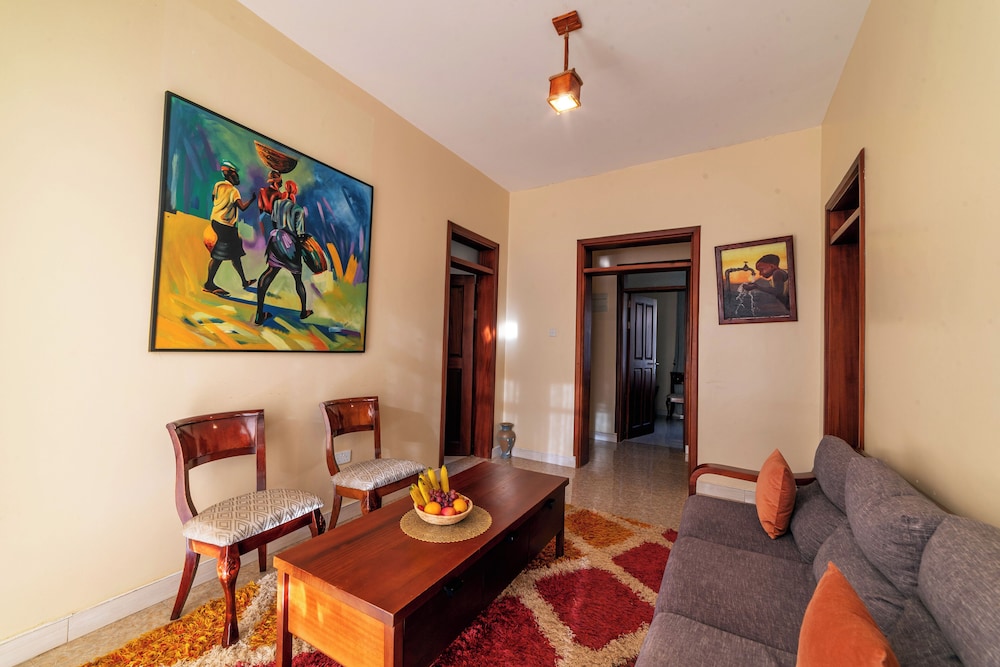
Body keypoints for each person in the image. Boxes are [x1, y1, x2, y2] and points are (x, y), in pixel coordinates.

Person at [254, 196, 313, 325]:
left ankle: (259, 314)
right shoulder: (298, 210)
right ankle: (303, 311)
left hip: (275, 239)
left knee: (269, 272)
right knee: (297, 279)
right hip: (290, 244)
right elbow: (300, 234)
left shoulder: (277, 204)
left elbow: (274, 223)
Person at [204, 160, 256, 296]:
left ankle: (244, 281)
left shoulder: (218, 185)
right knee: (219, 255)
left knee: (235, 253)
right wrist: (252, 199)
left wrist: (222, 207)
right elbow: (242, 207)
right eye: (235, 175)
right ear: (231, 175)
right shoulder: (234, 191)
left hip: (216, 221)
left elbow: (213, 199)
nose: (237, 177)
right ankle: (209, 284)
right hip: (226, 226)